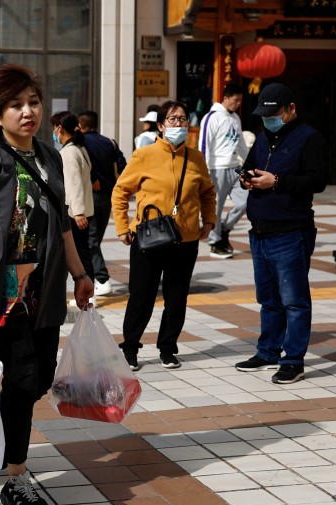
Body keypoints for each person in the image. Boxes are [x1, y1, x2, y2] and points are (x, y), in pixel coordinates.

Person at [0, 63, 93, 505]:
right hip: (5, 297)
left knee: (36, 380)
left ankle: (6, 425)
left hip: (47, 292)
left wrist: (80, 275)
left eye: (33, 102)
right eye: (15, 105)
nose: (27, 111)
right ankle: (17, 477)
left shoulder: (50, 157)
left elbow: (65, 226)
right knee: (23, 377)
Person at [112, 100, 216, 371]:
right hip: (149, 236)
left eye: (183, 119)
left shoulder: (196, 157)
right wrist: (122, 226)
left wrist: (210, 220)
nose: (178, 124)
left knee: (177, 296)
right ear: (160, 126)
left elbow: (207, 192)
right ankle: (130, 348)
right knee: (141, 295)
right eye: (172, 119)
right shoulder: (143, 155)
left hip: (186, 239)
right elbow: (121, 191)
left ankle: (168, 348)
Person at [235, 83, 326, 385]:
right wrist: (247, 180)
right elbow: (250, 167)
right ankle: (268, 351)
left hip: (291, 231)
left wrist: (277, 182)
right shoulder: (262, 137)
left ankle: (294, 360)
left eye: (274, 114)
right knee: (268, 298)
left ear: (290, 110)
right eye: (264, 114)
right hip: (260, 230)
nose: (268, 119)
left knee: (294, 300)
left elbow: (316, 181)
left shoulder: (309, 138)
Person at [78, 110, 127, 296]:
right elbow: (123, 166)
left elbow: (85, 165)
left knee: (91, 241)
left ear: (81, 126)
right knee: (95, 239)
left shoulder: (81, 143)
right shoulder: (110, 143)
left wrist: (92, 178)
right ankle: (94, 277)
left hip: (90, 197)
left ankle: (102, 278)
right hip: (108, 197)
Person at [199, 84, 250, 259]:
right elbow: (203, 146)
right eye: (236, 100)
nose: (238, 104)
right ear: (226, 98)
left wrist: (251, 164)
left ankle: (225, 230)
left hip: (235, 167)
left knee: (246, 201)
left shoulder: (235, 117)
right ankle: (215, 242)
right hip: (216, 169)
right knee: (215, 208)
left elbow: (241, 143)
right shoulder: (211, 117)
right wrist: (203, 172)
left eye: (240, 101)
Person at [52, 112, 95, 284]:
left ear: (60, 128)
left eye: (54, 127)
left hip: (75, 214)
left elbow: (74, 183)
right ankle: (87, 291)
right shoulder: (79, 148)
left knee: (80, 254)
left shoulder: (69, 152)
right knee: (83, 252)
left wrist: (78, 212)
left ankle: (87, 292)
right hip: (84, 209)